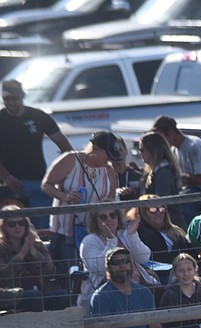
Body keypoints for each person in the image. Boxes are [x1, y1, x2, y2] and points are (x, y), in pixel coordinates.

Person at [41, 130, 119, 269]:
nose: (109, 160)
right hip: (65, 233)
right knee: (69, 273)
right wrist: (66, 197)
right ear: (95, 149)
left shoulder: (109, 171)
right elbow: (46, 185)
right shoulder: (70, 160)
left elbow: (110, 202)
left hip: (95, 234)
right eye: (108, 155)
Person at [0, 79, 71, 220]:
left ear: (22, 97)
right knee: (13, 226)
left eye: (15, 98)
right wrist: (6, 176)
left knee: (44, 226)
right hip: (10, 186)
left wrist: (63, 176)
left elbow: (66, 148)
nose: (11, 102)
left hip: (38, 182)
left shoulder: (38, 117)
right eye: (7, 99)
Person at [78, 205, 157, 312]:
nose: (109, 220)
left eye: (112, 215)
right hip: (108, 291)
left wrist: (132, 236)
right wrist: (111, 242)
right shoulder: (89, 241)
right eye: (103, 217)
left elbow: (143, 258)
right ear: (95, 221)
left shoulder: (124, 234)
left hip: (140, 285)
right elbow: (98, 267)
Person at [151, 115, 201, 226]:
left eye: (161, 136)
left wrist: (182, 177)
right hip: (191, 194)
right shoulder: (173, 150)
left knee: (178, 208)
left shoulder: (195, 145)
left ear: (171, 133)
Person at [0, 205, 68, 312]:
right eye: (12, 224)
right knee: (34, 297)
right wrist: (21, 255)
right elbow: (3, 276)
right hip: (14, 294)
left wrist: (33, 252)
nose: (17, 227)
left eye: (21, 223)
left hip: (41, 288)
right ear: (4, 227)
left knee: (61, 296)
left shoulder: (36, 244)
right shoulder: (1, 248)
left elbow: (50, 271)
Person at [132, 194, 195, 268]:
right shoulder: (137, 232)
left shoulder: (177, 232)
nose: (158, 213)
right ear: (142, 212)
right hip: (153, 274)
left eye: (161, 209)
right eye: (153, 209)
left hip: (182, 273)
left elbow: (191, 253)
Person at [138, 130, 183, 224]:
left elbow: (161, 203)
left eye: (142, 150)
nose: (140, 154)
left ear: (153, 150)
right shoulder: (155, 172)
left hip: (168, 226)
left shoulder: (163, 174)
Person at [112, 136, 143, 202]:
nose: (118, 153)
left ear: (126, 151)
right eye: (114, 151)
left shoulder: (138, 176)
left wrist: (134, 192)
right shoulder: (105, 177)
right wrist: (116, 192)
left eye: (121, 150)